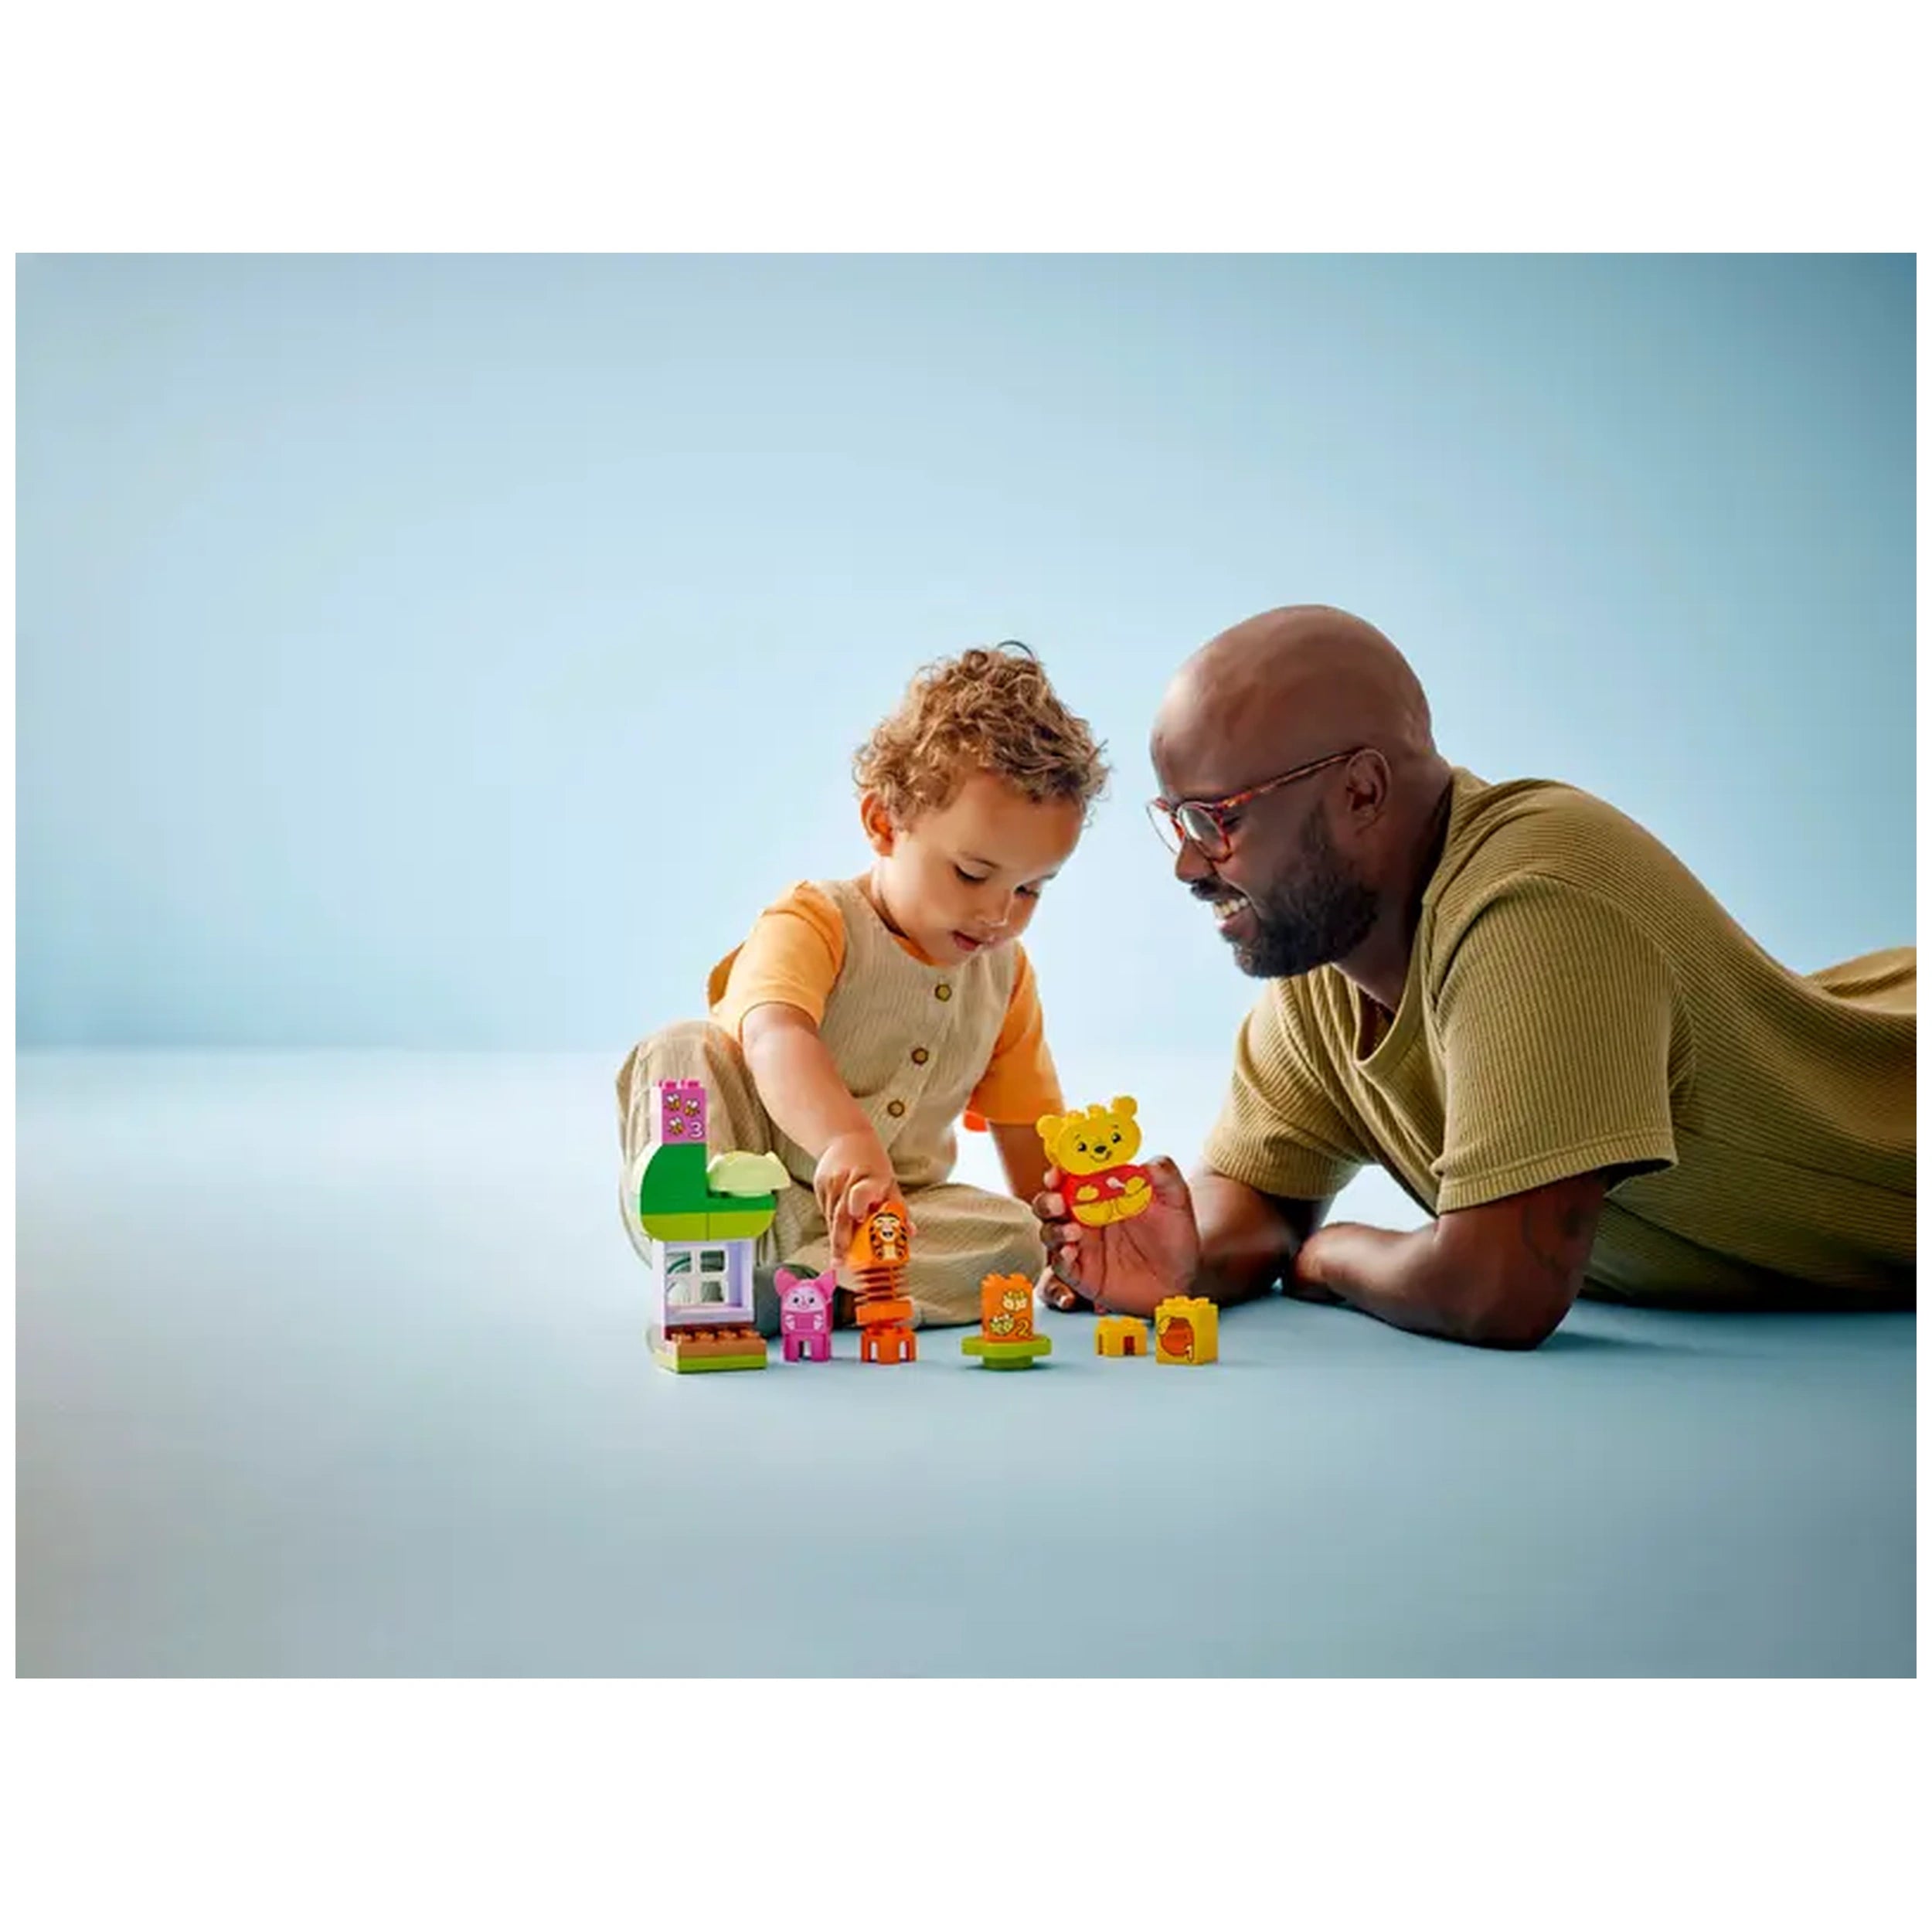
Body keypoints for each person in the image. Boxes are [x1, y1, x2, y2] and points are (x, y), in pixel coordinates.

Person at [1036, 606, 1915, 1347]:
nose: (1188, 866)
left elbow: (1495, 1289)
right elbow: (1260, 1195)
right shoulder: (1327, 964)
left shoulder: (1539, 904)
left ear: (1361, 793)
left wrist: (1334, 1255)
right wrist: (1182, 1258)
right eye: (1175, 820)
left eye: (1216, 821)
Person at [617, 642, 1107, 1328]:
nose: (999, 914)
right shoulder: (816, 921)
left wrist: (1070, 1247)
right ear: (884, 824)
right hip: (743, 1195)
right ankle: (704, 1260)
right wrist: (844, 1139)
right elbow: (774, 1033)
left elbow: (1028, 1126)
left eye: (1030, 889)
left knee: (1015, 1239)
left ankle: (811, 1289)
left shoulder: (1006, 976)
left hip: (890, 1226)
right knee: (680, 1051)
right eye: (972, 874)